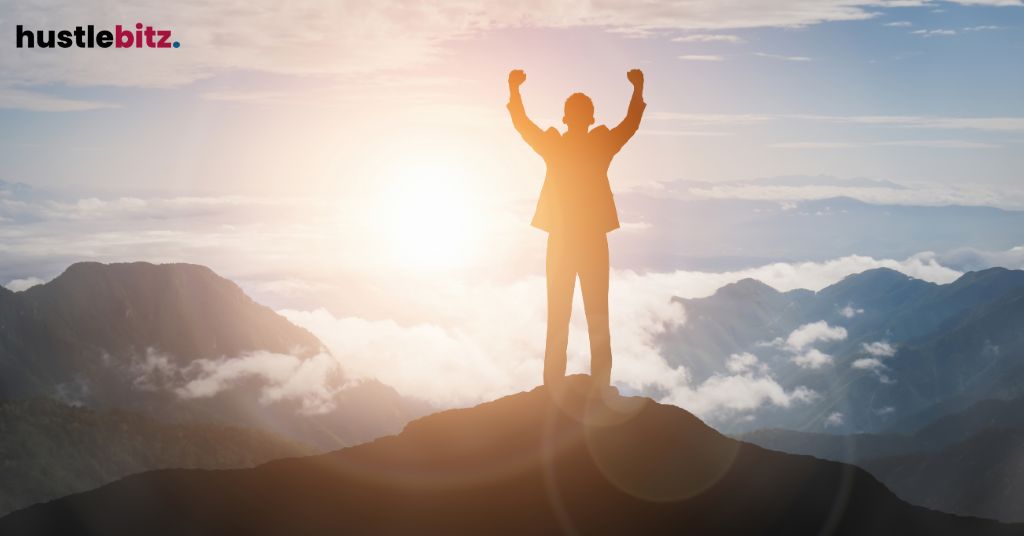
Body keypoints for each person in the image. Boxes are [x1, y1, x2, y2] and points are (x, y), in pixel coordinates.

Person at [507, 68, 646, 388]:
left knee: (559, 315)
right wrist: (637, 89)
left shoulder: (555, 145)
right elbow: (630, 125)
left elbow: (523, 126)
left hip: (561, 241)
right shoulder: (600, 145)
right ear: (591, 118)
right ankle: (600, 386)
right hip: (593, 239)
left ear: (566, 118)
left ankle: (553, 386)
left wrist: (515, 91)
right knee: (598, 315)